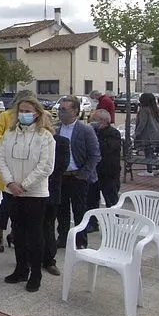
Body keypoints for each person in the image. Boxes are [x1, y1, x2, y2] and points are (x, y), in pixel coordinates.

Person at [0, 97, 55, 292]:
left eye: (27, 111)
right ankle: (21, 269)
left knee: (35, 235)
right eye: (21, 111)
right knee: (18, 233)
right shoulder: (9, 134)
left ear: (36, 113)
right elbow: (1, 159)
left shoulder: (45, 136)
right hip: (12, 191)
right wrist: (10, 183)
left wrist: (25, 185)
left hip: (35, 193)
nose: (23, 114)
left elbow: (46, 166)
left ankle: (36, 273)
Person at [0, 90, 34, 253]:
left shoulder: (36, 120)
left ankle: (15, 233)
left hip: (26, 169)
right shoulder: (6, 116)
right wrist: (12, 141)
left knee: (21, 205)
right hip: (8, 167)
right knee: (7, 202)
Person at [55, 96, 101, 250]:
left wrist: (84, 174)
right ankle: (63, 237)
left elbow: (95, 155)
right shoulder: (56, 129)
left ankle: (80, 240)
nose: (61, 112)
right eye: (60, 109)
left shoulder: (85, 130)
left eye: (64, 109)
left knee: (79, 210)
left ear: (75, 111)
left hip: (78, 176)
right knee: (61, 210)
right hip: (61, 176)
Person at [42, 125, 71, 276]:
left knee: (48, 226)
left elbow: (60, 167)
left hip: (51, 189)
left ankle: (49, 260)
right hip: (31, 190)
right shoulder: (32, 139)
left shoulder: (61, 142)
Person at [87, 109, 122, 220]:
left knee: (111, 200)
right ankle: (92, 223)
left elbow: (107, 149)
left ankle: (114, 222)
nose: (90, 121)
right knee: (91, 200)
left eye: (93, 119)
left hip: (108, 172)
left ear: (102, 121)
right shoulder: (92, 132)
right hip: (94, 171)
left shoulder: (113, 133)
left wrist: (94, 137)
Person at [134, 92, 159, 177]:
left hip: (148, 134)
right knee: (151, 152)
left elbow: (142, 123)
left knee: (147, 152)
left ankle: (149, 170)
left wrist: (136, 133)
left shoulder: (144, 109)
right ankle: (157, 168)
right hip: (157, 133)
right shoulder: (154, 109)